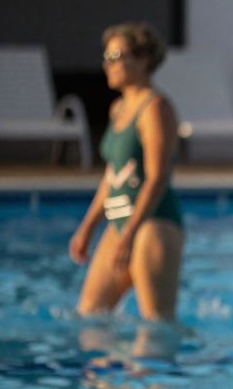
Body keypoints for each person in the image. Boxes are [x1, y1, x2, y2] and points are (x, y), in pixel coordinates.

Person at [69, 22, 183, 322]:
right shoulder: (118, 109)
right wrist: (88, 227)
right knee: (90, 321)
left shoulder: (155, 108)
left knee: (156, 328)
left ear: (143, 59)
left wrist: (130, 233)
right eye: (106, 57)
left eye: (115, 56)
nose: (107, 65)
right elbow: (112, 176)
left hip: (152, 225)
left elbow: (157, 178)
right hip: (119, 224)